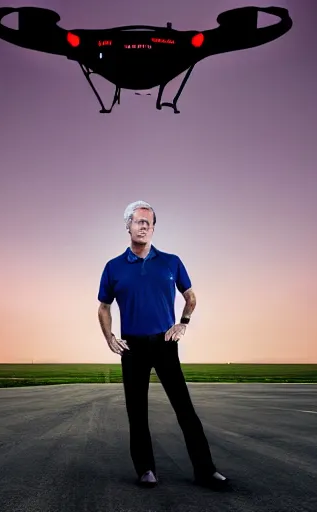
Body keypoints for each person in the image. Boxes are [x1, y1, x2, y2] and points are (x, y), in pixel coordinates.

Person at [97, 200, 230, 491]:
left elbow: (191, 296)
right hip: (132, 347)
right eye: (138, 221)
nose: (144, 226)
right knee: (137, 411)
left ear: (153, 227)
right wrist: (109, 338)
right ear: (127, 226)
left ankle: (205, 471)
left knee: (185, 409)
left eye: (149, 222)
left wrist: (183, 322)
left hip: (165, 343)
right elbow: (103, 307)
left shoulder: (171, 261)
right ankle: (146, 469)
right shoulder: (113, 267)